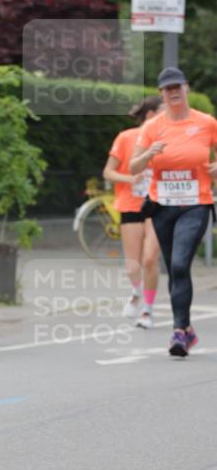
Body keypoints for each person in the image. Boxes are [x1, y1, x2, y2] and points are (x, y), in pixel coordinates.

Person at [130, 67, 217, 357]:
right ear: (161, 94)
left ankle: (178, 331)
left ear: (187, 87)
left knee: (180, 264)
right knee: (173, 267)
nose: (173, 92)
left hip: (195, 203)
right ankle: (185, 329)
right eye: (167, 89)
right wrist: (148, 153)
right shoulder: (152, 127)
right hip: (162, 207)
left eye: (177, 86)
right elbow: (133, 167)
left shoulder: (206, 123)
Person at [103, 96, 162, 329]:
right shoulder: (126, 138)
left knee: (150, 258)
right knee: (133, 265)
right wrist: (130, 178)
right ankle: (136, 292)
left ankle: (147, 310)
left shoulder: (167, 139)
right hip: (130, 204)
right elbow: (108, 172)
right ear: (149, 116)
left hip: (157, 205)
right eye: (162, 111)